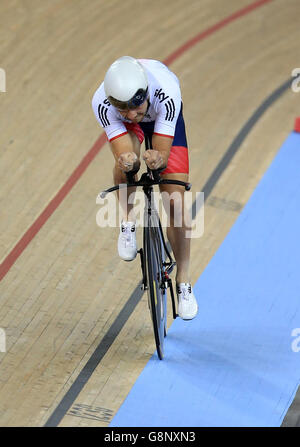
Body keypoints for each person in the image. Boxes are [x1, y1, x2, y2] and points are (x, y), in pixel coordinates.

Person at [92, 56, 198, 320]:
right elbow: (125, 151)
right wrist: (131, 160)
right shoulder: (103, 104)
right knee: (125, 164)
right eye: (122, 108)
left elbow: (161, 154)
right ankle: (128, 221)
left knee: (175, 202)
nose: (130, 113)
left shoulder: (166, 92)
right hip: (131, 131)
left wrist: (157, 159)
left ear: (145, 93)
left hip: (163, 120)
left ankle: (183, 279)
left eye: (135, 104)